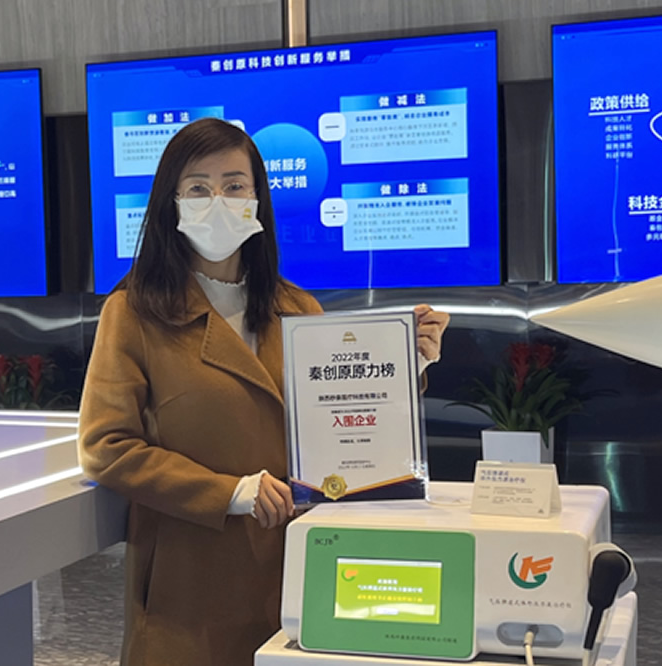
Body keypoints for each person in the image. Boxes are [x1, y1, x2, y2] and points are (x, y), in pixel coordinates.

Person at [78, 118, 449, 665]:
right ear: (170, 203)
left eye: (234, 185)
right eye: (198, 188)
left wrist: (405, 364)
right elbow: (107, 447)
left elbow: (338, 422)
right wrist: (228, 493)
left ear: (257, 199)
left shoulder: (297, 309)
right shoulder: (134, 312)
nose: (218, 201)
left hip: (296, 568)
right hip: (190, 581)